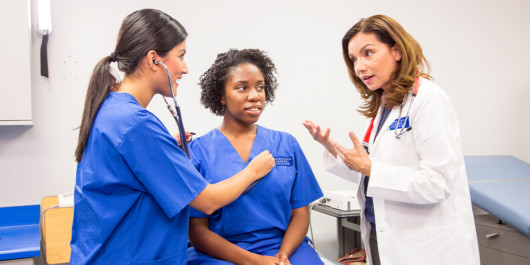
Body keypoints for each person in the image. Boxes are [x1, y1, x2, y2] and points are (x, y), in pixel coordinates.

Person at [71, 9, 275, 265]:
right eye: (181, 56)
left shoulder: (114, 110)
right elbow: (208, 201)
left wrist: (161, 148)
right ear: (154, 60)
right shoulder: (135, 124)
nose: (186, 68)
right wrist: (254, 170)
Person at [303, 15, 480, 265]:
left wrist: (368, 167)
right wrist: (332, 148)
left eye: (368, 53)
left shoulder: (428, 99)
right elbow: (373, 173)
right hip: (384, 236)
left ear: (396, 51)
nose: (359, 67)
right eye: (353, 59)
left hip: (429, 248)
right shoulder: (384, 107)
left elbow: (438, 183)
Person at [186, 49, 324, 265]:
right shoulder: (198, 151)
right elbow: (196, 231)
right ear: (221, 95)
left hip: (284, 247)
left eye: (260, 87)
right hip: (222, 253)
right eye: (242, 88)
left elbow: (300, 213)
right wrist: (254, 261)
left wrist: (282, 256)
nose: (255, 95)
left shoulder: (286, 144)